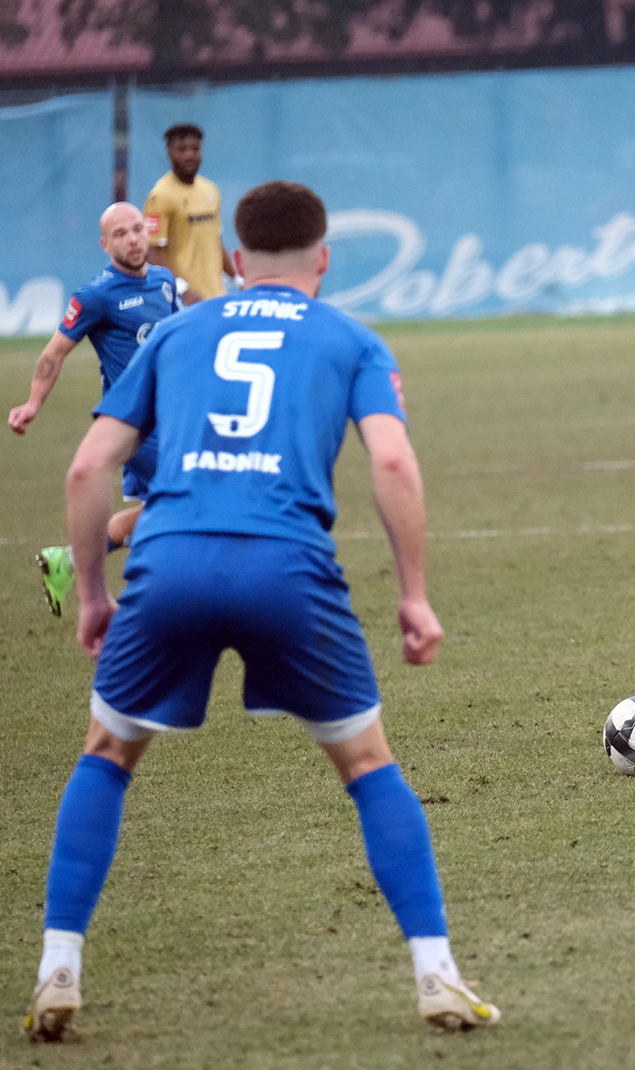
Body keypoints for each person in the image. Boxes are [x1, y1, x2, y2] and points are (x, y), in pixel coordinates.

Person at [21, 181, 499, 1041]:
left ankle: (58, 966)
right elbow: (392, 465)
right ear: (322, 259)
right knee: (366, 765)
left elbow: (86, 471)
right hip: (291, 570)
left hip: (168, 565)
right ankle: (438, 977)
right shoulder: (351, 338)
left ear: (236, 263)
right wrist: (414, 595)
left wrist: (94, 593)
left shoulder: (173, 332)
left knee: (107, 754)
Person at [8, 203, 183, 616]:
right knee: (193, 500)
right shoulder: (95, 296)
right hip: (134, 427)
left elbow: (180, 339)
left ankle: (65, 562)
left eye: (137, 229)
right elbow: (55, 352)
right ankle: (157, 605)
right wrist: (33, 402)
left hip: (175, 419)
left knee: (164, 509)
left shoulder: (164, 281)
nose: (133, 238)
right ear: (105, 244)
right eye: (120, 233)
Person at [143, 123, 236, 305]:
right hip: (186, 301)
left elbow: (215, 239)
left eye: (195, 149)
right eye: (182, 149)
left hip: (217, 296)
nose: (190, 155)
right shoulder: (160, 196)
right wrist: (181, 288)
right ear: (170, 153)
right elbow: (151, 249)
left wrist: (238, 278)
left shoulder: (210, 189)